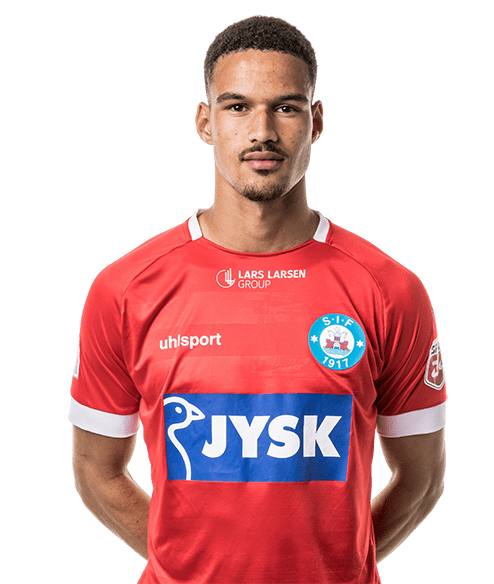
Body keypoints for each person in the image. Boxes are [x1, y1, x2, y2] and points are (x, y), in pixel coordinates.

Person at [70, 15, 446, 584]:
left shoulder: (390, 289)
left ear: (316, 122)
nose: (262, 131)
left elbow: (421, 481)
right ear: (206, 122)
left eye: (286, 107)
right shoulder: (124, 289)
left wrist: (338, 568)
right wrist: (187, 565)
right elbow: (96, 472)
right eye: (238, 107)